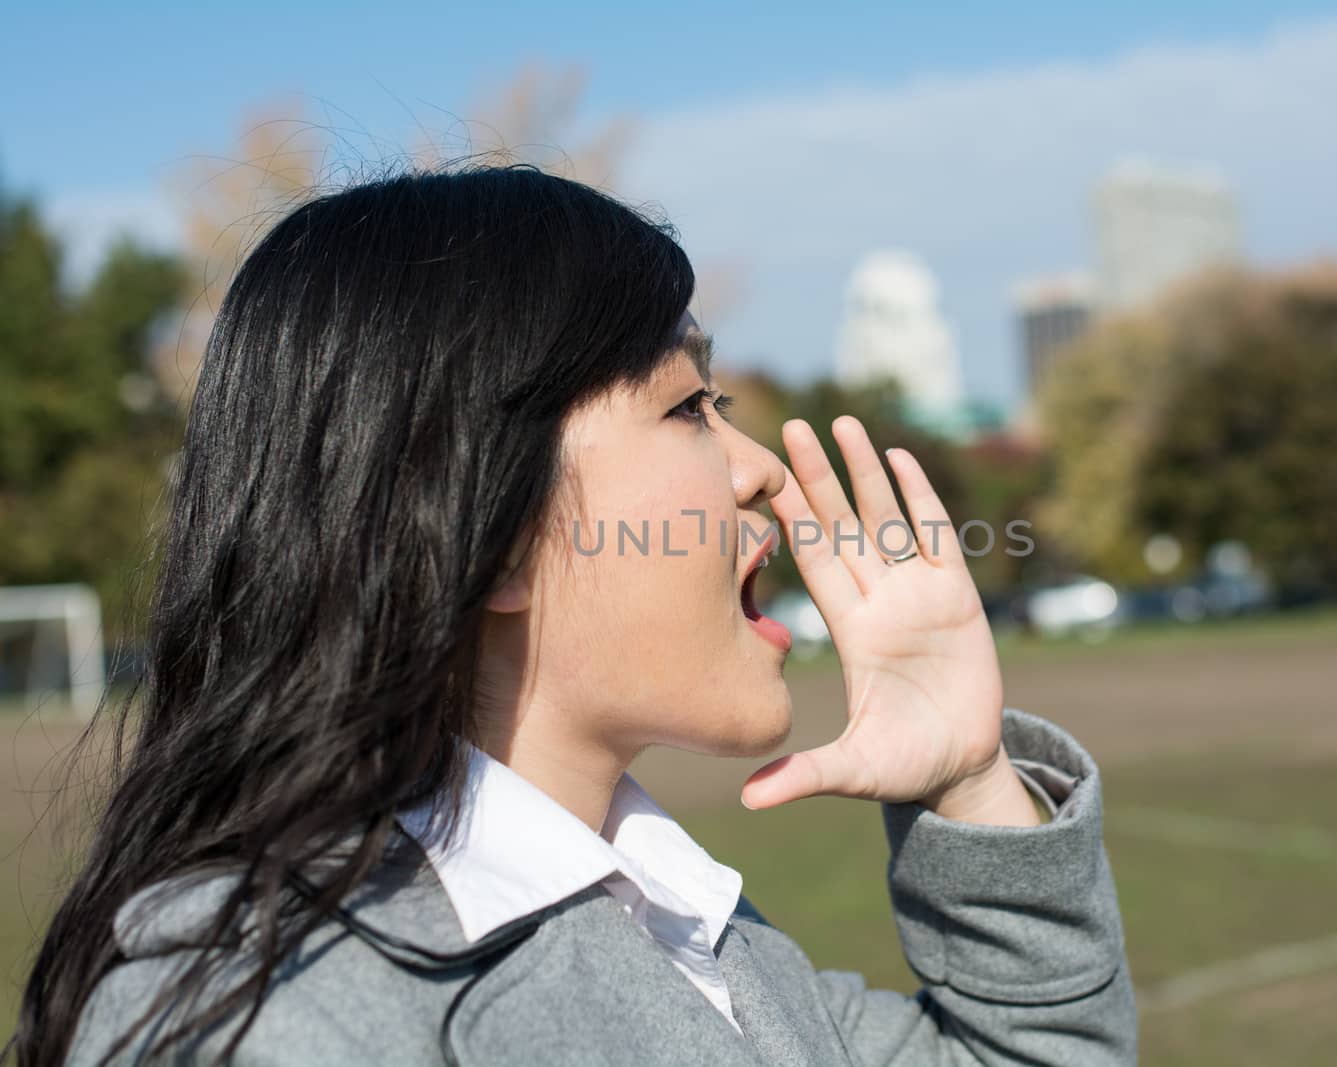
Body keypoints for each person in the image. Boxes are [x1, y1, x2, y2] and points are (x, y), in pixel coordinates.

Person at [10, 165, 1137, 1066]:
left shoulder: (691, 932)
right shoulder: (274, 1022)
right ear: (483, 523)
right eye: (689, 404)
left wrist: (968, 774)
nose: (758, 471)